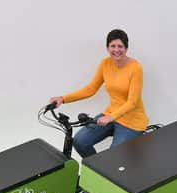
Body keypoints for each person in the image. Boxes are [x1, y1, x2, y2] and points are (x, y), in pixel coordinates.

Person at [49, 29, 149, 158]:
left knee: (114, 155)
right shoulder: (105, 64)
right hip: (111, 113)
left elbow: (132, 102)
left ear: (126, 48)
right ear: (107, 47)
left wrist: (110, 117)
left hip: (132, 121)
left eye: (120, 46)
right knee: (80, 141)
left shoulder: (135, 68)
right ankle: (97, 168)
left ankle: (108, 169)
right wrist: (63, 99)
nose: (116, 50)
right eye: (112, 46)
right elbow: (90, 89)